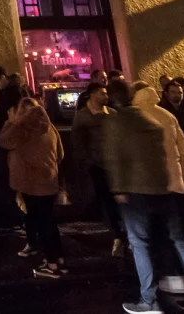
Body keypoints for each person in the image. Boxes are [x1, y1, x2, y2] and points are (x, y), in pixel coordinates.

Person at [105, 81, 184, 313]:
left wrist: (118, 189)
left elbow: (115, 158)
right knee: (180, 240)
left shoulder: (117, 121)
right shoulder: (158, 118)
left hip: (136, 191)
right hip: (165, 187)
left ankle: (148, 301)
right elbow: (178, 151)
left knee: (140, 244)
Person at [0, 98, 65, 279]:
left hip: (31, 183)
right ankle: (58, 259)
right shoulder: (50, 127)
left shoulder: (23, 128)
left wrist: (10, 122)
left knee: (41, 223)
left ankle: (52, 265)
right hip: (50, 181)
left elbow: (3, 141)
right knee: (49, 222)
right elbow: (61, 153)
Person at [73, 82, 124, 257]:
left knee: (117, 199)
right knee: (107, 199)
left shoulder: (112, 114)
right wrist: (87, 162)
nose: (106, 96)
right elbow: (78, 142)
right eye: (102, 93)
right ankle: (117, 234)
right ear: (93, 95)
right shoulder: (82, 117)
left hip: (115, 164)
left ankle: (120, 234)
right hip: (97, 165)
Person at [0, 66, 29, 138]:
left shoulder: (17, 90)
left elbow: (17, 115)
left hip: (13, 134)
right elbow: (5, 112)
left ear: (3, 77)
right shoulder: (3, 91)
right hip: (6, 132)